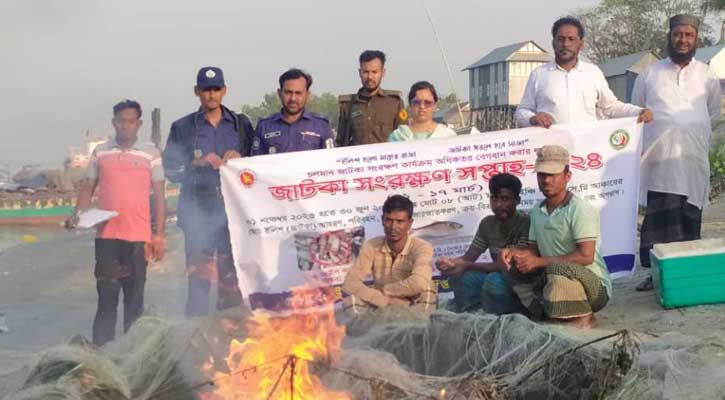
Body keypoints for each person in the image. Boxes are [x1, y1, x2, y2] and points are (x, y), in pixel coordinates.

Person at [632, 15, 722, 291]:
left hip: (691, 160)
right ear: (669, 37)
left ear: (696, 39)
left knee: (688, 218)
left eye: (688, 35)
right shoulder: (650, 73)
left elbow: (713, 114)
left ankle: (686, 274)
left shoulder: (707, 75)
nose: (683, 40)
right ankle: (656, 275)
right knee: (660, 221)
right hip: (659, 162)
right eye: (678, 35)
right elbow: (637, 110)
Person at [66, 100, 166, 345]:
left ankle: (131, 354)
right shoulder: (100, 152)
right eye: (121, 121)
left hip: (138, 239)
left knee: (134, 301)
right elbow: (88, 185)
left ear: (139, 124)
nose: (125, 126)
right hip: (107, 238)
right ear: (114, 123)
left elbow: (160, 196)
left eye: (131, 121)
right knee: (107, 298)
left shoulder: (151, 154)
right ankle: (102, 355)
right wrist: (77, 214)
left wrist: (159, 236)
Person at [163, 67, 253, 317]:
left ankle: (231, 340)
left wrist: (241, 159)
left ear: (224, 91)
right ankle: (195, 341)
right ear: (197, 92)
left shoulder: (241, 125)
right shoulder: (182, 128)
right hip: (198, 215)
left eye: (216, 89)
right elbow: (171, 169)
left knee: (232, 281)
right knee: (199, 280)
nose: (211, 95)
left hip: (233, 217)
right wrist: (196, 163)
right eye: (206, 90)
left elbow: (257, 169)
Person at [500, 145, 611, 329]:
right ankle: (546, 313)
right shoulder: (538, 210)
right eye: (542, 175)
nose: (546, 180)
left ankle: (583, 316)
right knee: (512, 267)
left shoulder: (579, 209)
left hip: (594, 285)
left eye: (552, 174)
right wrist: (513, 253)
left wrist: (538, 262)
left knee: (557, 270)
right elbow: (533, 251)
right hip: (554, 275)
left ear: (567, 176)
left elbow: (586, 256)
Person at [514, 16, 653, 128]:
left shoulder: (592, 72)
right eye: (560, 39)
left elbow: (611, 107)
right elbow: (521, 112)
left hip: (587, 151)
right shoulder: (539, 74)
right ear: (553, 42)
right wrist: (532, 118)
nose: (565, 44)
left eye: (571, 39)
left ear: (581, 43)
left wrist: (639, 111)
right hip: (552, 152)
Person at [436, 173, 529, 314]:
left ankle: (503, 323)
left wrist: (466, 265)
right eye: (494, 198)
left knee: (494, 281)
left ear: (517, 200)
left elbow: (505, 268)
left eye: (505, 199)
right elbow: (468, 258)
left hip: (522, 285)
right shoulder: (487, 224)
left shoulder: (526, 223)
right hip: (499, 278)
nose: (498, 205)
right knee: (460, 276)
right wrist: (450, 263)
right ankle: (473, 321)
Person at [342, 195, 437, 315]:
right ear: (382, 220)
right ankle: (369, 331)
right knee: (351, 299)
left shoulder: (422, 247)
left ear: (410, 223)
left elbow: (419, 282)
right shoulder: (371, 246)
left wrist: (387, 291)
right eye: (389, 220)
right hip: (381, 303)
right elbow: (349, 283)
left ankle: (417, 330)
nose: (393, 227)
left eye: (400, 221)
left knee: (427, 288)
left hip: (411, 302)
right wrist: (385, 300)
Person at [252, 68, 334, 155]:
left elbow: (330, 161)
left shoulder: (321, 126)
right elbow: (255, 163)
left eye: (298, 93)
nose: (293, 98)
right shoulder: (264, 127)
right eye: (288, 92)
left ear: (307, 95)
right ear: (279, 93)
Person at [337, 50, 405, 146]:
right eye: (365, 72)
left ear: (383, 73)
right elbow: (341, 142)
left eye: (374, 72)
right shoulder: (348, 106)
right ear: (360, 73)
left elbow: (404, 139)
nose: (370, 77)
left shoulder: (394, 103)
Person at [388, 81, 456, 141]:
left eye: (427, 102)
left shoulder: (447, 135)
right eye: (417, 102)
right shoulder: (398, 136)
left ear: (435, 105)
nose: (422, 106)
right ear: (410, 105)